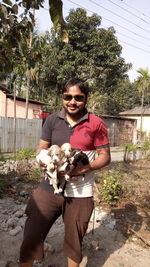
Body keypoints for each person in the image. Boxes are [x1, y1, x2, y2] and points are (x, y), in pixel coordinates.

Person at [19, 78, 111, 267]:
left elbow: (105, 156)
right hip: (49, 187)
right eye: (68, 96)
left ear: (86, 99)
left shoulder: (96, 123)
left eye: (78, 97)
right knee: (32, 233)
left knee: (74, 240)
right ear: (62, 97)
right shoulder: (52, 120)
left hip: (80, 191)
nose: (72, 101)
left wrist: (85, 168)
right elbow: (41, 147)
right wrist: (43, 160)